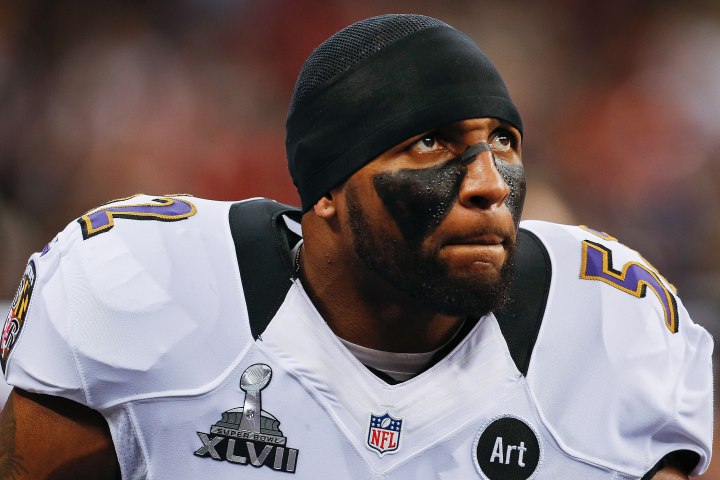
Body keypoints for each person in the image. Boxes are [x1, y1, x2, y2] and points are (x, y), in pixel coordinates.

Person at [0, 14, 712, 480]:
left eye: (503, 142)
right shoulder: (144, 286)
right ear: (327, 191)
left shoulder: (613, 328)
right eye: (432, 143)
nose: (490, 184)